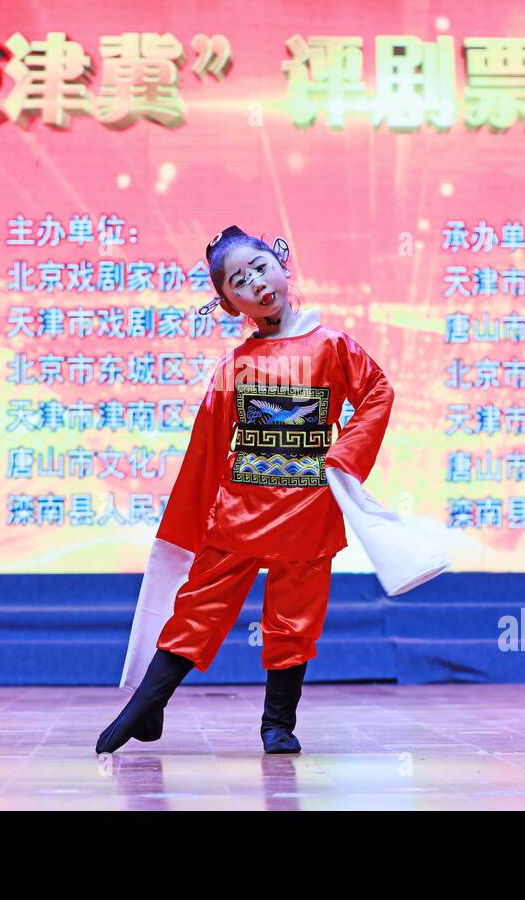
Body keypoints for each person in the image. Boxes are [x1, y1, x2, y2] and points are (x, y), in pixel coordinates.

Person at [97, 224, 445, 757]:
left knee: (293, 616)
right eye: (239, 281)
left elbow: (377, 390)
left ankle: (278, 723)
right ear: (229, 302)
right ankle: (147, 703)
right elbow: (207, 447)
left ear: (282, 265)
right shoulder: (234, 366)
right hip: (241, 506)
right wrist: (193, 519)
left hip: (308, 502)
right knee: (199, 606)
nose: (256, 283)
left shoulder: (331, 345)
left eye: (260, 267)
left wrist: (344, 455)